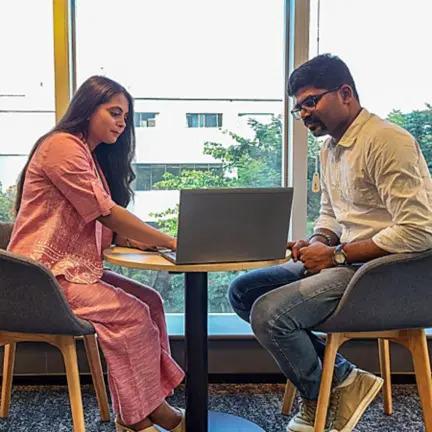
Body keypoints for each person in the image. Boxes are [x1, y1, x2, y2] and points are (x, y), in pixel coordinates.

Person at [228, 54, 432, 432]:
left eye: (311, 101)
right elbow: (332, 213)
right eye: (298, 107)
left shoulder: (388, 142)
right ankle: (343, 379)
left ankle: (321, 397)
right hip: (347, 263)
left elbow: (419, 230)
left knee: (270, 314)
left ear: (345, 93)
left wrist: (336, 254)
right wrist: (318, 240)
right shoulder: (330, 149)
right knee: (243, 291)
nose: (304, 113)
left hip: (384, 273)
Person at [8, 76, 185, 432]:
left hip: (71, 271)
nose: (122, 122)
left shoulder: (87, 156)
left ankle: (148, 406)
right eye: (114, 112)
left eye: (126, 117)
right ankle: (138, 418)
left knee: (149, 301)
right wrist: (171, 242)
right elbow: (102, 210)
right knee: (133, 315)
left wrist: (134, 240)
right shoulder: (61, 146)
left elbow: (94, 221)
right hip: (41, 277)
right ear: (88, 108)